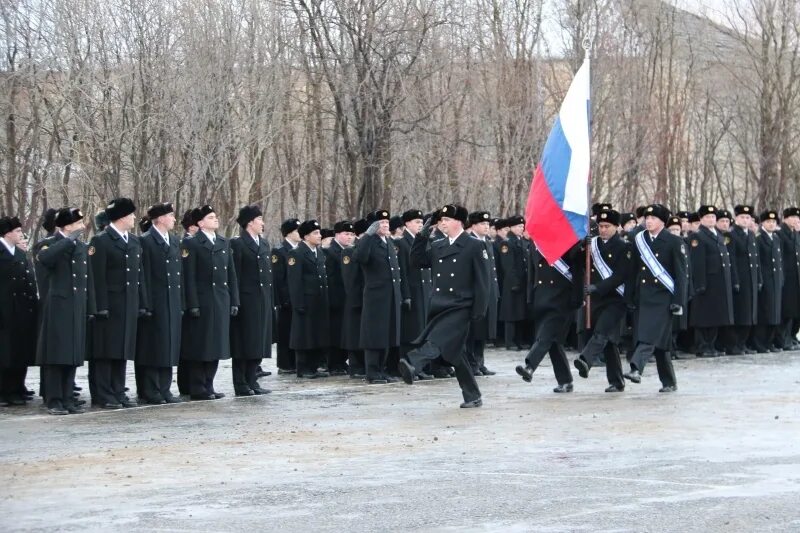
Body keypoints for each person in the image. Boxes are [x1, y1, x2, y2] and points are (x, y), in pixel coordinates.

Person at [399, 204, 490, 408]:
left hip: (461, 306)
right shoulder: (439, 245)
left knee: (436, 340)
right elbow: (416, 261)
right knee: (455, 354)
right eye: (440, 220)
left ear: (459, 222)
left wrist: (479, 311)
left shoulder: (474, 246)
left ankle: (413, 363)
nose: (442, 224)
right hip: (440, 305)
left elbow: (483, 283)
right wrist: (422, 236)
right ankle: (473, 395)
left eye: (446, 220)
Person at [36, 207, 95, 414]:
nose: (82, 227)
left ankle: (68, 397)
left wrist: (90, 307)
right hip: (58, 306)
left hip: (76, 305)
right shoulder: (48, 244)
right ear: (67, 226)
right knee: (56, 355)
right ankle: (54, 399)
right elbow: (45, 259)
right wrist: (67, 240)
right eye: (78, 224)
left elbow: (87, 278)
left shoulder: (81, 246)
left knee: (72, 355)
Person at [88, 198, 146, 409]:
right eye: (131, 215)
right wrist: (99, 306)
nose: (134, 218)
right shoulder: (101, 241)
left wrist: (142, 302)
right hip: (109, 305)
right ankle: (104, 394)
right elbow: (97, 277)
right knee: (106, 351)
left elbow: (139, 276)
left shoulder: (133, 241)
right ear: (121, 217)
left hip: (128, 303)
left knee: (122, 350)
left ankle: (118, 390)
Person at [623, 204, 687, 392]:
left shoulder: (674, 242)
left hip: (664, 299)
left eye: (653, 219)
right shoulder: (639, 240)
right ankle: (669, 382)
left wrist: (678, 301)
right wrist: (629, 296)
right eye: (647, 218)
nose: (648, 221)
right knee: (661, 343)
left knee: (649, 336)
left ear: (662, 222)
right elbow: (633, 270)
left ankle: (636, 368)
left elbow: (681, 275)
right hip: (644, 296)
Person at [181, 205, 239, 400]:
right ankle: (198, 387)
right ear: (200, 222)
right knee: (201, 345)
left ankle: (209, 384)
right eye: (211, 217)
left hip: (221, 299)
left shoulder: (224, 242)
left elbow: (231, 274)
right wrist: (193, 304)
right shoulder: (192, 243)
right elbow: (189, 277)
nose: (215, 219)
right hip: (203, 300)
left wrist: (234, 300)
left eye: (215, 216)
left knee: (217, 345)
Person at [572, 208, 631, 392]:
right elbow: (577, 262)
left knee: (601, 332)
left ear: (616, 227)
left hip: (615, 299)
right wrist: (582, 247)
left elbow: (621, 275)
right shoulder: (592, 244)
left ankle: (585, 360)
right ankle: (617, 381)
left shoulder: (623, 247)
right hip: (596, 300)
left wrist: (599, 287)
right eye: (600, 226)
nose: (603, 229)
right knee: (609, 342)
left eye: (607, 226)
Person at [515, 243, 580, 393]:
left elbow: (577, 271)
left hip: (562, 297)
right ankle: (566, 381)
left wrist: (578, 297)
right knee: (554, 342)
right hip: (542, 297)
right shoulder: (535, 243)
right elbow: (533, 272)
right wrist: (530, 297)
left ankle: (530, 366)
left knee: (546, 336)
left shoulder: (567, 241)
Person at [135, 202, 183, 404]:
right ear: (160, 218)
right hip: (154, 302)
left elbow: (179, 275)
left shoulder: (173, 241)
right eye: (171, 215)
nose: (174, 219)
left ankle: (165, 388)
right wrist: (145, 304)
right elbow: (142, 275)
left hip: (172, 301)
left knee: (169, 346)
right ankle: (150, 389)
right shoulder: (145, 241)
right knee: (153, 347)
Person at [353, 210, 403, 384]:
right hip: (376, 296)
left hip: (391, 296)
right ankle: (372, 372)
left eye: (387, 222)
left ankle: (382, 369)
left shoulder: (387, 241)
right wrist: (367, 235)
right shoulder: (369, 241)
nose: (386, 225)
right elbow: (360, 257)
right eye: (381, 223)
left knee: (387, 334)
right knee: (374, 334)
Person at [230, 205, 273, 396]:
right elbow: (235, 276)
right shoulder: (238, 244)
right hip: (246, 301)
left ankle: (252, 380)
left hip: (262, 300)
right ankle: (241, 384)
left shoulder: (264, 244)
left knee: (258, 342)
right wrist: (235, 301)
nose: (262, 223)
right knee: (243, 343)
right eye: (259, 220)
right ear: (250, 223)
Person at [0, 216, 38, 406]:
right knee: (5, 353)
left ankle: (16, 388)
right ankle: (4, 391)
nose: (20, 234)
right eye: (16, 231)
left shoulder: (20, 253)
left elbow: (28, 282)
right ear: (7, 233)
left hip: (22, 310)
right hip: (5, 310)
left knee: (19, 351)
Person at [688, 205, 735, 357]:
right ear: (701, 219)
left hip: (719, 283)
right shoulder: (698, 236)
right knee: (704, 317)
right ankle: (702, 346)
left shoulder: (719, 235)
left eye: (713, 217)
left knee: (716, 316)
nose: (711, 219)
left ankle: (711, 345)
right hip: (706, 282)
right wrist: (700, 284)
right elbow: (697, 263)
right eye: (707, 217)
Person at [287, 220, 330, 378]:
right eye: (315, 233)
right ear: (306, 236)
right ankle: (303, 368)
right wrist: (298, 303)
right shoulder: (297, 253)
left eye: (319, 232)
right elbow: (294, 281)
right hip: (305, 300)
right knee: (304, 335)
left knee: (316, 334)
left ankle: (313, 366)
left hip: (319, 301)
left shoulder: (318, 252)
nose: (319, 236)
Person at [394, 209, 432, 378]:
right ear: (407, 224)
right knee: (411, 333)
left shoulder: (423, 240)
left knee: (422, 330)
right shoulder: (402, 243)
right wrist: (406, 295)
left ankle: (418, 367)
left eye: (421, 222)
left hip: (424, 291)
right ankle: (407, 366)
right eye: (416, 222)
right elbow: (402, 272)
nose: (419, 225)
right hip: (412, 292)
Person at [465, 211, 498, 376]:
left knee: (484, 330)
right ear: (473, 225)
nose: (487, 227)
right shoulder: (469, 242)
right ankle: (471, 363)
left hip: (489, 292)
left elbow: (491, 270)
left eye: (488, 224)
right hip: (476, 294)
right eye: (483, 224)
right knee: (473, 331)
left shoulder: (488, 242)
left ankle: (479, 362)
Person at [725, 205, 761, 355]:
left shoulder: (751, 235)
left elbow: (756, 259)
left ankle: (742, 343)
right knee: (741, 314)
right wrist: (735, 280)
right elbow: (731, 259)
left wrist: (759, 278)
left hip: (751, 280)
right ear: (736, 219)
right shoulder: (731, 235)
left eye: (748, 218)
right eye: (742, 217)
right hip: (741, 280)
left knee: (750, 314)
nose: (745, 220)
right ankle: (734, 344)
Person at [324, 220, 354, 375]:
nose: (349, 237)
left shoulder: (349, 251)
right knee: (335, 332)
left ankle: (342, 361)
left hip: (346, 298)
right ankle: (334, 363)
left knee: (344, 331)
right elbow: (329, 278)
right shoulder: (330, 252)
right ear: (337, 235)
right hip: (335, 298)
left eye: (351, 234)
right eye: (346, 234)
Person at [272, 218, 301, 374]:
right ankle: (285, 364)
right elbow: (279, 278)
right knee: (285, 332)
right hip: (286, 300)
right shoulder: (279, 251)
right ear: (289, 233)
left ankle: (295, 362)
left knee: (294, 331)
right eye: (297, 231)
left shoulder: (298, 250)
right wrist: (285, 299)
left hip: (297, 298)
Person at [753, 210, 783, 352]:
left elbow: (779, 261)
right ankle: (760, 343)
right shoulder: (759, 239)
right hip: (766, 280)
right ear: (762, 223)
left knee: (775, 313)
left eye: (773, 222)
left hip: (776, 280)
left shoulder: (776, 238)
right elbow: (758, 261)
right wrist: (760, 280)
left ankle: (770, 342)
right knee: (765, 313)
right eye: (768, 222)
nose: (771, 224)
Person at [342, 219, 368, 378]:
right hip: (355, 301)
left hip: (366, 299)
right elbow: (350, 280)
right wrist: (356, 300)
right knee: (353, 334)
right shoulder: (350, 252)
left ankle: (362, 364)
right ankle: (355, 365)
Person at [498, 215, 529, 350]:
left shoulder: (519, 241)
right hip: (512, 284)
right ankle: (509, 341)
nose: (521, 229)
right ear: (510, 227)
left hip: (522, 282)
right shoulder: (507, 242)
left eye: (522, 227)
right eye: (518, 226)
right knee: (510, 314)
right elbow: (508, 265)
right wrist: (514, 282)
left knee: (520, 313)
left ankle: (518, 340)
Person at [777, 207, 800, 350]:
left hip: (795, 278)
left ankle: (791, 336)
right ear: (785, 219)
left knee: (794, 310)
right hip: (786, 278)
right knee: (786, 310)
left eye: (797, 218)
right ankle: (783, 339)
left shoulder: (795, 234)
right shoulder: (781, 234)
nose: (796, 220)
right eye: (792, 218)